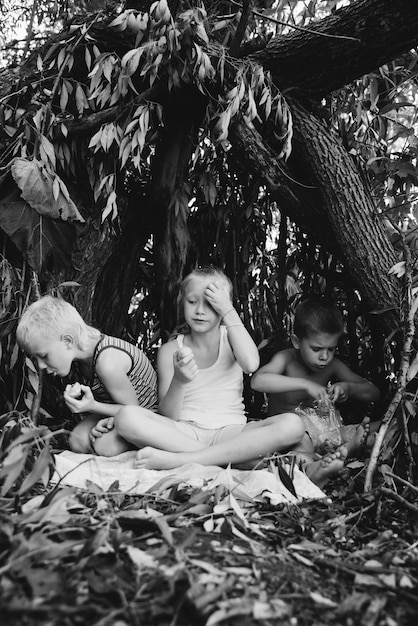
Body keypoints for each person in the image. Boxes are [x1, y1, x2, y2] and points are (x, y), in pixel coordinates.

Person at [114, 267, 348, 486]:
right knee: (126, 417)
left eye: (211, 304)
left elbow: (251, 363)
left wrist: (228, 311)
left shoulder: (232, 337)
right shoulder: (170, 350)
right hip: (184, 431)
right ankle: (231, 460)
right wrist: (180, 380)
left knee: (293, 425)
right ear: (182, 302)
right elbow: (169, 415)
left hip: (232, 432)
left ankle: (182, 459)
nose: (200, 311)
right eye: (192, 302)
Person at [16, 295, 158, 456]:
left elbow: (133, 411)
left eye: (44, 355)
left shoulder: (107, 363)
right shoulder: (79, 358)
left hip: (145, 416)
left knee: (105, 447)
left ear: (68, 341)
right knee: (77, 440)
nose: (41, 365)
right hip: (115, 411)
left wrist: (91, 406)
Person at [250, 297, 380, 461]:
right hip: (294, 437)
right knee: (301, 450)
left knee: (385, 428)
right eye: (316, 349)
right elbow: (257, 381)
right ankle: (336, 455)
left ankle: (343, 450)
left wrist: (348, 388)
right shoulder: (286, 360)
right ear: (297, 341)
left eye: (331, 349)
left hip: (330, 433)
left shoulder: (332, 365)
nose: (324, 357)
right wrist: (305, 384)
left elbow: (374, 393)